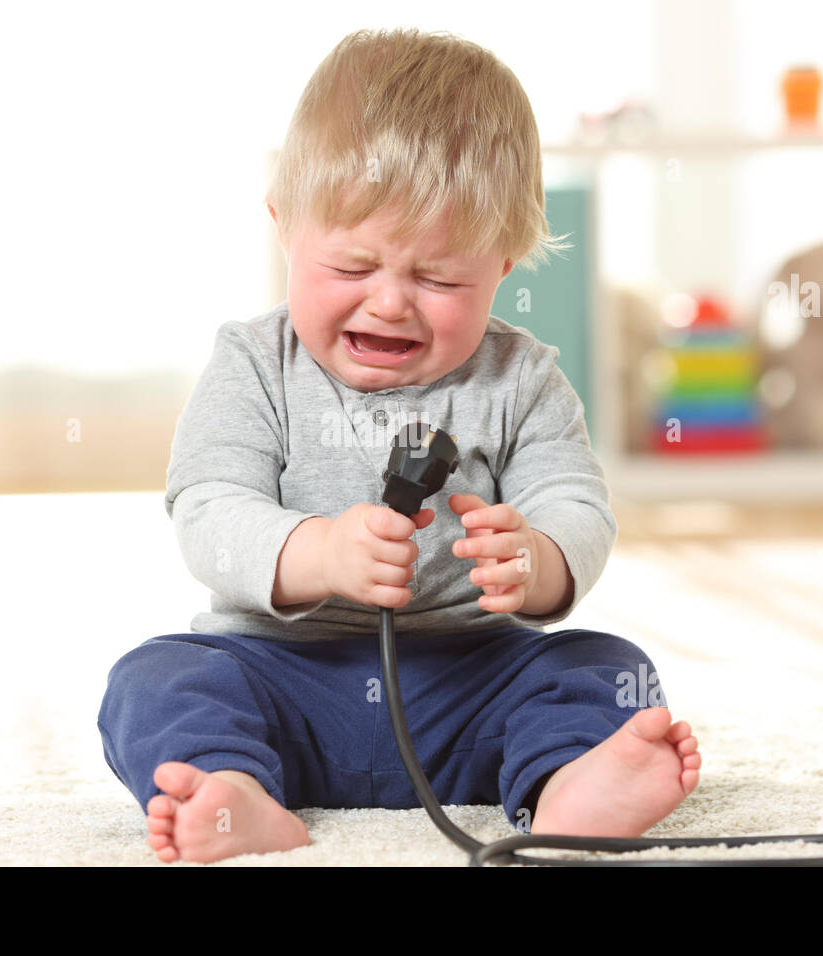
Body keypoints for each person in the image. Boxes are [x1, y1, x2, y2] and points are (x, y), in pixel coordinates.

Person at [98, 27, 700, 863]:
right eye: (352, 266)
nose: (389, 303)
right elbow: (207, 509)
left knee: (603, 666)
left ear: (506, 263)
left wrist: (537, 558)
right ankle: (237, 790)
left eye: (439, 279)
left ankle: (567, 786)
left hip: (467, 683)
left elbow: (577, 506)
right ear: (284, 226)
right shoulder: (251, 363)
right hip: (283, 679)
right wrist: (318, 552)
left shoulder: (524, 380)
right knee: (153, 680)